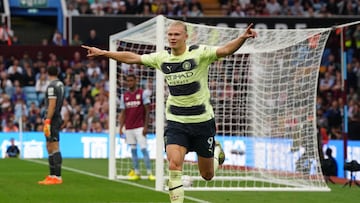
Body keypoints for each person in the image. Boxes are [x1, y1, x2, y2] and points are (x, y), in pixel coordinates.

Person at [82, 20, 257, 203]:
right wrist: (104, 53)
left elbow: (226, 50)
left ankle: (216, 153)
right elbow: (133, 57)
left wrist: (242, 38)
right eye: (170, 35)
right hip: (176, 122)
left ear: (185, 37)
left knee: (207, 175)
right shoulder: (162, 58)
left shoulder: (199, 53)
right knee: (174, 165)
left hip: (202, 122)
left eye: (176, 35)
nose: (172, 38)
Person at [119, 74, 155, 181]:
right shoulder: (124, 96)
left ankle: (150, 173)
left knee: (144, 149)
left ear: (136, 81)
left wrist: (145, 126)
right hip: (129, 128)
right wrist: (121, 127)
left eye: (131, 80)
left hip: (140, 127)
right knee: (133, 150)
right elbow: (123, 112)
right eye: (128, 80)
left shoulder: (142, 94)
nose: (129, 82)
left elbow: (147, 110)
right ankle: (137, 172)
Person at [38, 66, 65, 185]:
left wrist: (47, 120)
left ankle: (57, 176)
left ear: (47, 73)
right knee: (49, 145)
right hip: (56, 117)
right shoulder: (60, 84)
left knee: (54, 146)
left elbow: (52, 105)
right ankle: (52, 174)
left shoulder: (52, 86)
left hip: (52, 118)